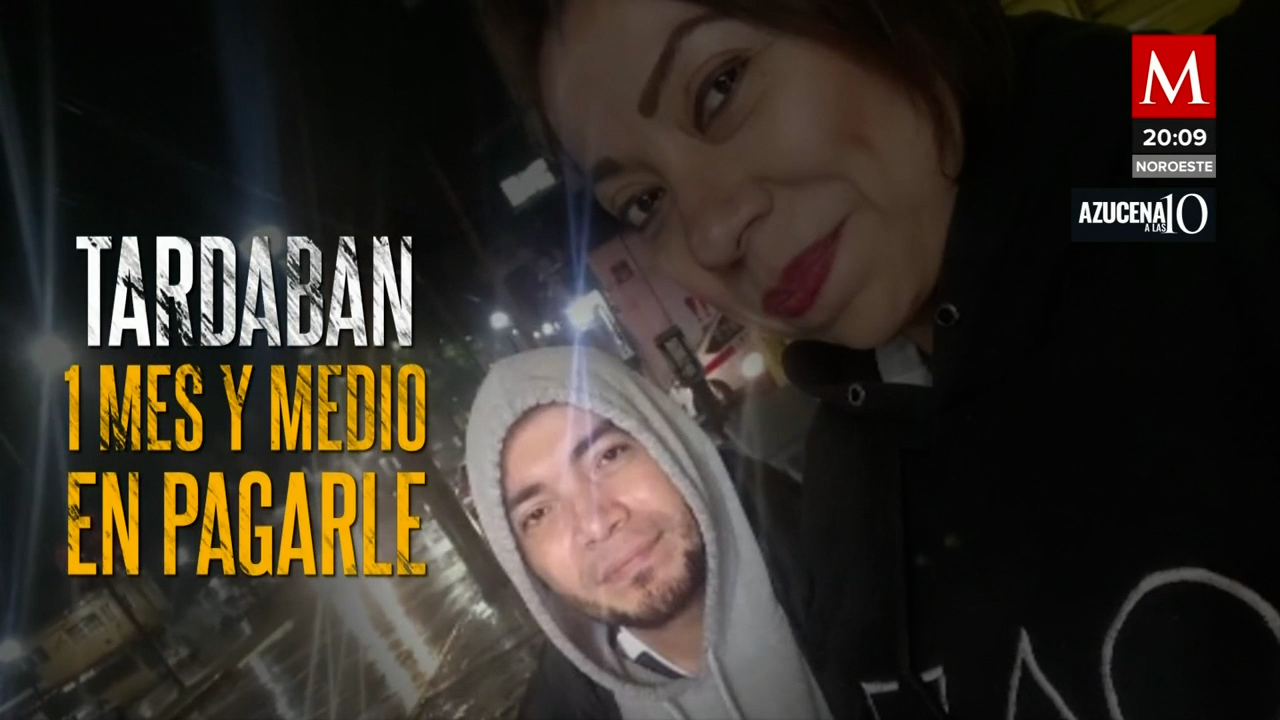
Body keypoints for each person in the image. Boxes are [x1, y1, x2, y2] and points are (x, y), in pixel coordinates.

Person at [472, 0, 1280, 718]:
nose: (712, 232)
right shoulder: (845, 485)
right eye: (645, 202)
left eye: (720, 86)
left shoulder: (1180, 149)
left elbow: (1180, 153)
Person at [465, 346, 819, 719]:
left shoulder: (849, 549)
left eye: (608, 456)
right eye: (537, 513)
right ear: (525, 565)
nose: (597, 524)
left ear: (670, 442)